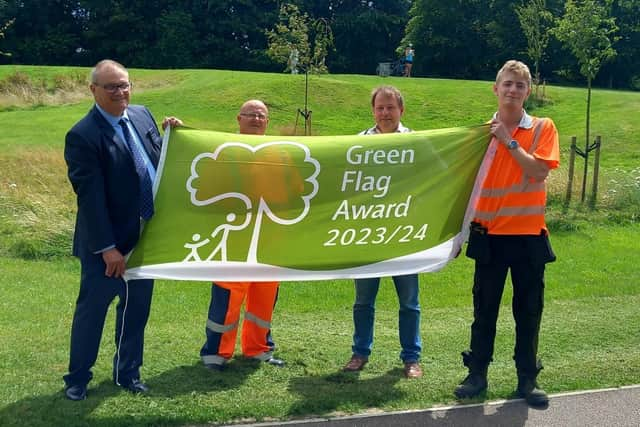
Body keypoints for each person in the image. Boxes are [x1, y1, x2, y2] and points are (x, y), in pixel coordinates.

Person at [63, 59, 181, 401]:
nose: (120, 92)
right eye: (111, 86)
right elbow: (91, 198)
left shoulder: (142, 115)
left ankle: (127, 374)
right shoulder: (83, 136)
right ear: (93, 90)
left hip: (145, 238)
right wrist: (107, 248)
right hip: (107, 246)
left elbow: (157, 161)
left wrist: (174, 134)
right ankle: (77, 379)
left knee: (135, 311)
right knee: (92, 313)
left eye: (125, 84)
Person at [454, 60, 559, 406]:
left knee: (528, 311)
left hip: (528, 237)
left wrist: (509, 141)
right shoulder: (480, 134)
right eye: (507, 84)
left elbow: (539, 172)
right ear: (495, 89)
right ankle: (477, 374)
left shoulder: (543, 128)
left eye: (520, 85)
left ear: (528, 91)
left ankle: (527, 378)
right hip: (489, 237)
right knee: (484, 311)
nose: (513, 90)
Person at [342, 86, 422, 379]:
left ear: (402, 110)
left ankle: (411, 358)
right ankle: (360, 353)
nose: (385, 113)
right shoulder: (359, 143)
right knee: (363, 301)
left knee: (409, 302)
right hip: (369, 236)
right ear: (373, 110)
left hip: (403, 236)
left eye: (391, 107)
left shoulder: (416, 143)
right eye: (380, 108)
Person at [199, 100, 285, 371]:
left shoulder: (279, 153)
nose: (256, 119)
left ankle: (259, 349)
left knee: (264, 297)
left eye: (261, 116)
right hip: (232, 237)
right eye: (251, 115)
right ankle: (216, 353)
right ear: (239, 118)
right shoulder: (223, 149)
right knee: (228, 296)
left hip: (270, 240)